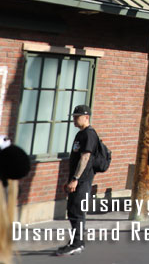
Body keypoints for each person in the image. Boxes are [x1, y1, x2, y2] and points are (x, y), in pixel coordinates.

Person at [56, 105, 99, 256]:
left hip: (82, 181)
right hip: (76, 180)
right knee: (73, 210)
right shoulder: (80, 134)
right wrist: (69, 180)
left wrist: (75, 179)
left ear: (86, 117)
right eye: (73, 116)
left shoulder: (89, 135)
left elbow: (85, 158)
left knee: (77, 212)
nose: (74, 119)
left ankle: (77, 243)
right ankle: (76, 241)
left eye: (77, 116)